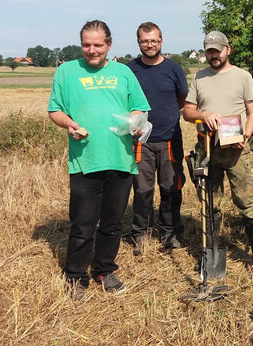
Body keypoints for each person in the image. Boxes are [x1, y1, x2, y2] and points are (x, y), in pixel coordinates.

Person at [48, 20, 150, 300]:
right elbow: (55, 110)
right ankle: (75, 276)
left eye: (98, 45)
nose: (91, 50)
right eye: (86, 44)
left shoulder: (124, 72)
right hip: (85, 160)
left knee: (112, 223)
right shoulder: (67, 72)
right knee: (82, 223)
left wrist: (135, 121)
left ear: (109, 45)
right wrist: (68, 124)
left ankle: (104, 270)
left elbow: (139, 106)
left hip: (120, 159)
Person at [182, 30, 253, 275]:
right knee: (209, 203)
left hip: (237, 150)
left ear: (227, 49)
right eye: (209, 51)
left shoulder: (243, 76)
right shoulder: (199, 77)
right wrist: (203, 115)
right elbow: (188, 111)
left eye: (217, 50)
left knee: (248, 201)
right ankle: (212, 254)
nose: (213, 55)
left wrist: (246, 135)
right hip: (208, 149)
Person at [127, 22, 188, 255]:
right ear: (139, 42)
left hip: (170, 138)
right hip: (140, 140)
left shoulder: (174, 69)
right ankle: (140, 232)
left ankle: (169, 231)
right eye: (145, 40)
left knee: (171, 187)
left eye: (154, 40)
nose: (149, 44)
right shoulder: (129, 69)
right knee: (142, 189)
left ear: (161, 42)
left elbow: (182, 98)